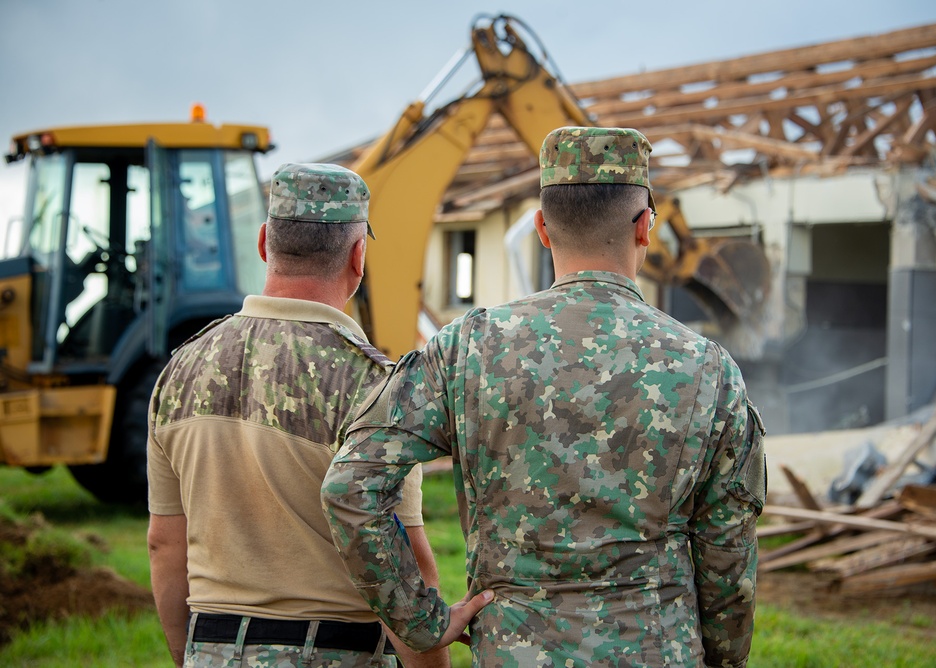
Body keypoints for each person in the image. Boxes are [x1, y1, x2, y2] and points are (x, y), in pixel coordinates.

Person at [323, 127, 767, 667]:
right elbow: (727, 550)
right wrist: (723, 659)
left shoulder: (468, 347)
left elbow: (352, 486)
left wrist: (420, 620)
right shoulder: (708, 368)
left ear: (541, 228)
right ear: (646, 227)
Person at [147, 163, 449, 668]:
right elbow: (406, 568)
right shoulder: (375, 386)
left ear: (265, 242)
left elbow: (162, 544)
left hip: (211, 650)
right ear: (359, 256)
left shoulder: (181, 369)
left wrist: (190, 656)